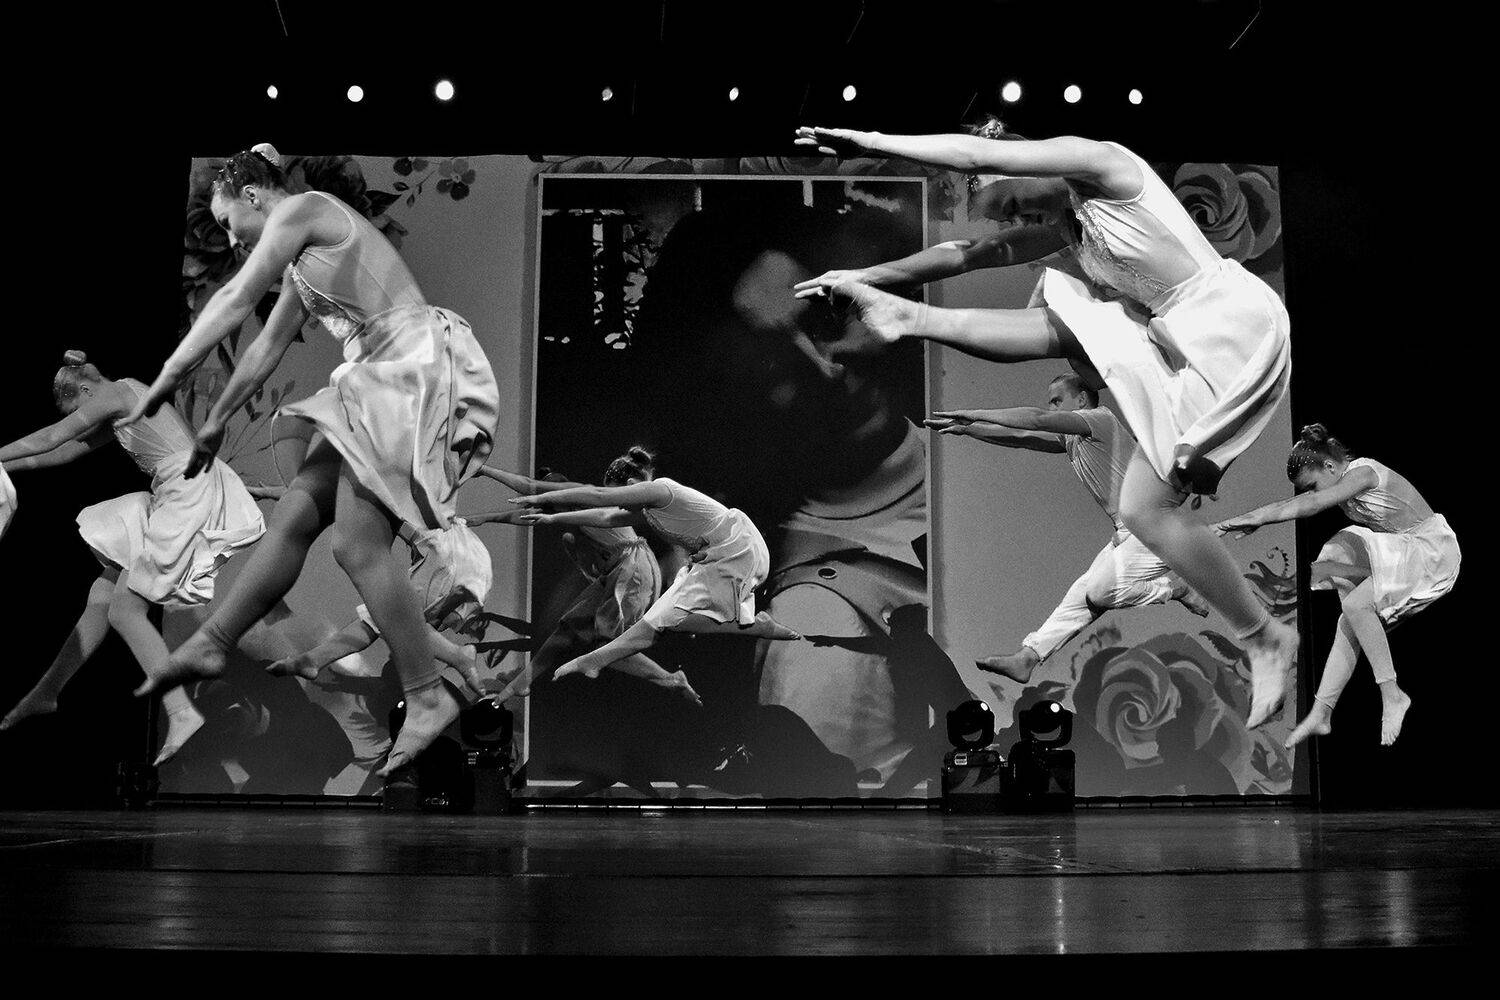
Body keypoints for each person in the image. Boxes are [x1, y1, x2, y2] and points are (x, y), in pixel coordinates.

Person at [792, 118, 1297, 728]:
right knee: (1139, 500)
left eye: (1011, 203)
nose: (1017, 219)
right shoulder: (1070, 230)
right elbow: (969, 254)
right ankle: (907, 317)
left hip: (1225, 325)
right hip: (1172, 341)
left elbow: (972, 153)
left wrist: (870, 143)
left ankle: (1263, 636)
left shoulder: (1104, 165)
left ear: (1018, 160)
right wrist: (862, 279)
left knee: (1085, 329)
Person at [121, 144, 500, 776]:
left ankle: (426, 691)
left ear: (252, 195)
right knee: (297, 512)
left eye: (228, 223)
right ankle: (214, 641)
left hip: (405, 366)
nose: (231, 241)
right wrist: (215, 420)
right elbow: (263, 348)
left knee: (356, 544)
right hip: (372, 374)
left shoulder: (304, 208)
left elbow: (236, 298)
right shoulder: (300, 265)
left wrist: (168, 375)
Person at [0, 352, 265, 764]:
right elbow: (66, 451)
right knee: (102, 596)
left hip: (186, 491)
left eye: (78, 409)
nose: (82, 417)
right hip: (177, 489)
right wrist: (6, 464)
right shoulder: (125, 399)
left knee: (125, 610)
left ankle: (181, 712)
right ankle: (48, 691)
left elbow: (52, 437)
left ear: (85, 389)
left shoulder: (117, 393)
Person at [927, 372, 1208, 683]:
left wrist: (975, 413)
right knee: (1082, 596)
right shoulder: (1072, 438)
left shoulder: (1100, 419)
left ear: (1082, 399)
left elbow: (1036, 420)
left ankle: (1175, 588)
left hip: (1155, 524)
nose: (1052, 408)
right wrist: (970, 430)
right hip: (1128, 531)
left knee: (1100, 592)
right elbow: (1023, 437)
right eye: (1051, 403)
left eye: (1057, 401)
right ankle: (1028, 657)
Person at [1217, 425, 1460, 746]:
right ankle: (1321, 712)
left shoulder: (1363, 473)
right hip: (1407, 551)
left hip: (1431, 550)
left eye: (1313, 485)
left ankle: (1393, 694)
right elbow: (1289, 505)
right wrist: (1239, 520)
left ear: (1330, 466)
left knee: (1355, 599)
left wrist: (1259, 519)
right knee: (1351, 622)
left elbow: (1313, 505)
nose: (1311, 492)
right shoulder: (1341, 481)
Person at [509, 464, 800, 680]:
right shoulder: (647, 511)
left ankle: (593, 661)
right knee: (668, 622)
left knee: (661, 620)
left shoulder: (659, 490)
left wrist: (539, 497)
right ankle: (756, 625)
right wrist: (553, 517)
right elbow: (606, 515)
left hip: (736, 547)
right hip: (723, 554)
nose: (620, 502)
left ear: (632, 484)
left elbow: (597, 497)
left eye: (621, 494)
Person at [472, 450, 700, 706]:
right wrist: (484, 518)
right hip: (620, 569)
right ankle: (522, 682)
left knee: (606, 647)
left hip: (633, 569)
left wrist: (484, 469)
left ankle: (671, 678)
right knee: (568, 628)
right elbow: (525, 515)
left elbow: (528, 486)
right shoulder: (573, 514)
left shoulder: (582, 495)